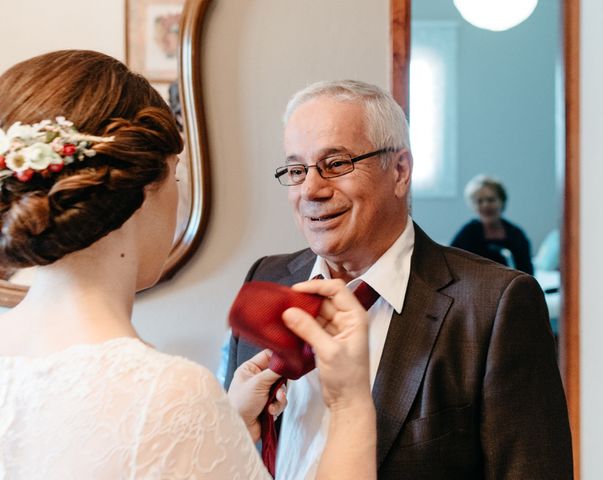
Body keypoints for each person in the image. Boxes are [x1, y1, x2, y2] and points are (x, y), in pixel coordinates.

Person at [0, 51, 376, 479]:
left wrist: (225, 428)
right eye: (175, 176)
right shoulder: (166, 396)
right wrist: (350, 406)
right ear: (142, 191)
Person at [225, 80, 573, 479]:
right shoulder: (266, 281)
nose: (311, 189)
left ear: (400, 171)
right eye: (296, 169)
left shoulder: (494, 305)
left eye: (336, 164)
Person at [451, 174, 534, 275]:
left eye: (491, 200)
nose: (485, 205)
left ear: (502, 202)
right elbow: (450, 264)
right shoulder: (467, 233)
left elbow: (528, 273)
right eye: (479, 201)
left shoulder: (516, 234)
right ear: (473, 206)